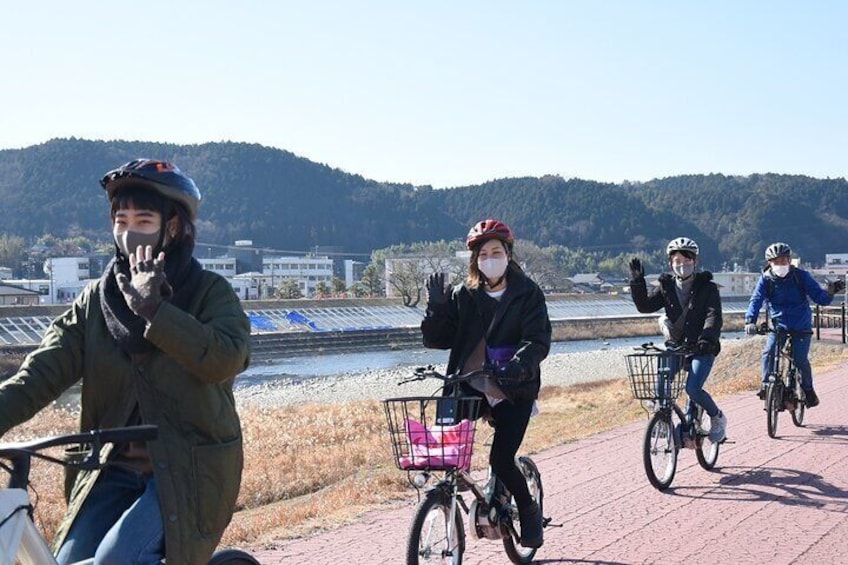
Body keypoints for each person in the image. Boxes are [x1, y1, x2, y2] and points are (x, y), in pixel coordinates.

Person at [0, 159, 251, 564]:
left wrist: (157, 312)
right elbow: (39, 375)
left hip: (186, 471)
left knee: (113, 562)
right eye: (121, 219)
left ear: (172, 226)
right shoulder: (96, 302)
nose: (129, 231)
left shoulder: (209, 293)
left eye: (144, 219)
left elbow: (225, 359)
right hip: (109, 470)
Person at [421, 218, 551, 549]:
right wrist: (436, 309)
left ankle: (528, 508)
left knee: (501, 459)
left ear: (508, 254)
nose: (489, 258)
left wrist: (518, 366)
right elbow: (439, 340)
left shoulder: (528, 293)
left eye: (496, 251)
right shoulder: (464, 294)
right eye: (483, 254)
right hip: (468, 383)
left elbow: (537, 341)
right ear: (475, 260)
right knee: (446, 452)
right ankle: (450, 497)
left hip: (513, 386)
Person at [628, 237, 727, 442]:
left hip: (702, 347)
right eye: (677, 261)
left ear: (695, 262)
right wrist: (637, 282)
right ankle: (663, 421)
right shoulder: (666, 286)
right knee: (661, 385)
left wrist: (707, 338)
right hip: (677, 346)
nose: (682, 265)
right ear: (670, 263)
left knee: (692, 388)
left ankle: (717, 417)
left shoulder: (708, 288)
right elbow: (645, 306)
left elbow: (713, 315)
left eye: (687, 260)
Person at [744, 242, 844, 407]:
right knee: (769, 353)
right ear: (769, 263)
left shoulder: (801, 276)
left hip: (801, 325)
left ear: (790, 261)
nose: (780, 265)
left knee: (800, 360)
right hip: (778, 326)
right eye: (776, 262)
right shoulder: (765, 280)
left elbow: (820, 298)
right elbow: (756, 301)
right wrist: (750, 321)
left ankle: (808, 390)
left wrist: (830, 291)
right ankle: (766, 385)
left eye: (784, 261)